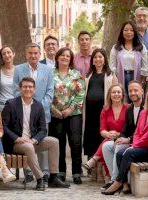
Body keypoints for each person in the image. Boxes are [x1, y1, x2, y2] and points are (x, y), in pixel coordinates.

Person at [2, 77, 70, 191]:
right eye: (25, 86)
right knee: (28, 146)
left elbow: (43, 129)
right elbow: (3, 126)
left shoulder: (38, 106)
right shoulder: (11, 104)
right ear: (20, 88)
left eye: (30, 87)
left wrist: (34, 140)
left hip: (31, 141)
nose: (27, 89)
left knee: (54, 141)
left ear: (34, 89)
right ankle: (40, 178)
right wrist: (17, 138)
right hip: (15, 143)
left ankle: (53, 177)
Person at [101, 84, 148, 195]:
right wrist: (134, 142)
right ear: (147, 95)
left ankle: (117, 182)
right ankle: (124, 183)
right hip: (139, 145)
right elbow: (136, 132)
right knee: (120, 153)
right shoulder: (144, 112)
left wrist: (134, 145)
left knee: (127, 152)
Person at [13, 43, 53, 182]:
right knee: (26, 140)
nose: (33, 55)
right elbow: (15, 90)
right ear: (26, 54)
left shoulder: (48, 70)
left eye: (36, 53)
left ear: (39, 54)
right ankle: (29, 174)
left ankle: (45, 172)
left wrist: (38, 108)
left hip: (41, 112)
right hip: (23, 111)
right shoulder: (18, 69)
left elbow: (50, 92)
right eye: (30, 53)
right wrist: (27, 105)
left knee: (40, 141)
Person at [49, 47, 85, 184]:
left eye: (68, 56)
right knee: (59, 143)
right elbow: (47, 93)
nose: (65, 58)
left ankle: (76, 173)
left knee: (75, 142)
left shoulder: (76, 74)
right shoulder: (50, 74)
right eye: (62, 55)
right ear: (57, 58)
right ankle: (61, 172)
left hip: (74, 113)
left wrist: (71, 108)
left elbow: (80, 93)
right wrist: (53, 109)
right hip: (56, 114)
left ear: (71, 60)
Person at [101, 80, 144, 190]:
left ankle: (117, 181)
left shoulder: (146, 108)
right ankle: (113, 179)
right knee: (106, 146)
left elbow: (144, 133)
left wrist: (128, 139)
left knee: (119, 147)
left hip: (140, 143)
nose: (133, 93)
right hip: (130, 141)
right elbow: (125, 129)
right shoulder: (130, 109)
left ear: (142, 91)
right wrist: (120, 138)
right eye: (130, 91)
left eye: (135, 90)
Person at [83, 84, 128, 183]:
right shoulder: (105, 110)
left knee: (107, 143)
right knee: (107, 142)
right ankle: (115, 179)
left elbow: (130, 128)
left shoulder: (128, 108)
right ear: (109, 95)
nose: (116, 94)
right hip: (110, 139)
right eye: (113, 92)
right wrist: (109, 134)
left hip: (124, 138)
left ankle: (94, 159)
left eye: (118, 92)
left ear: (123, 95)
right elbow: (102, 130)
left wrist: (118, 134)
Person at [83, 48, 116, 159]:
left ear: (104, 59)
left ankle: (101, 163)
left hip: (103, 110)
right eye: (95, 57)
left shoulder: (111, 75)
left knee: (101, 135)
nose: (98, 59)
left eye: (100, 57)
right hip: (89, 111)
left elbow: (115, 92)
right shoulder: (88, 76)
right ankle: (91, 164)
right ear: (92, 60)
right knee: (90, 135)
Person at [109, 21, 148, 101]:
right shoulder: (116, 48)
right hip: (120, 77)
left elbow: (145, 66)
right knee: (122, 100)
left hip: (136, 77)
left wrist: (143, 82)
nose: (128, 32)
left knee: (135, 99)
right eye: (126, 30)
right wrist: (114, 80)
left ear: (134, 32)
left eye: (131, 30)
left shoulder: (141, 47)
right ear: (122, 32)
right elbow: (112, 66)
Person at [0, 45, 15, 111]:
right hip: (2, 106)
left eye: (8, 52)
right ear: (2, 57)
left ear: (13, 54)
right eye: (4, 54)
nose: (7, 55)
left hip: (15, 106)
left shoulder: (19, 70)